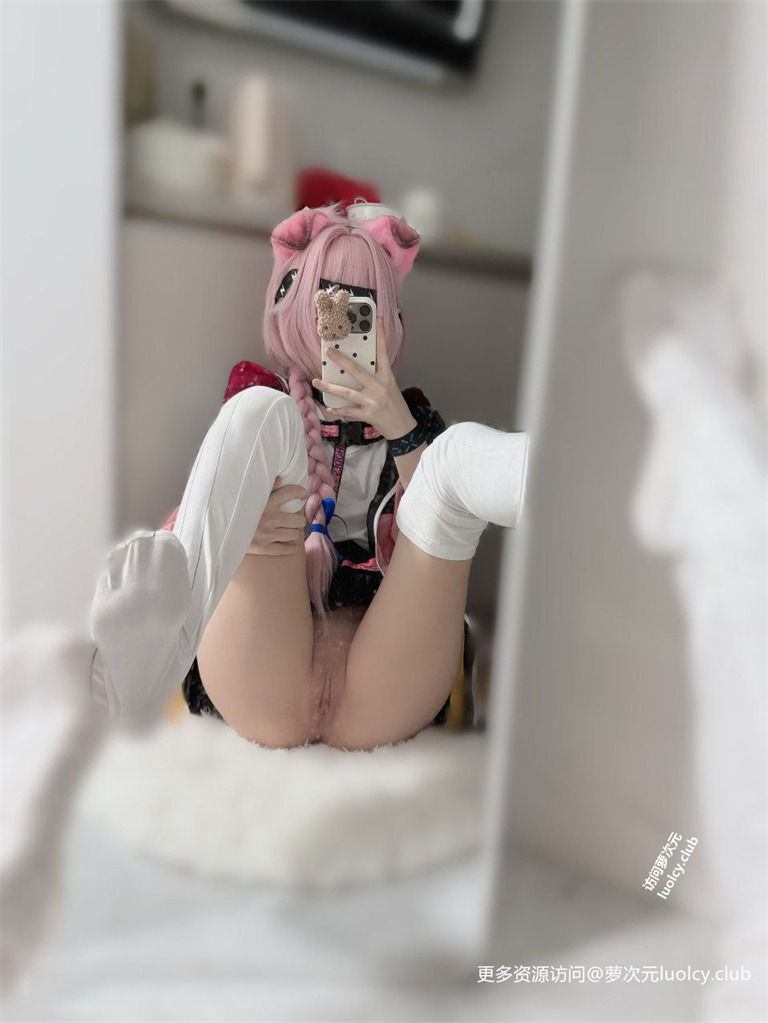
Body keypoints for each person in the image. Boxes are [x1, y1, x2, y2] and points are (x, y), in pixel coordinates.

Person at [90, 204, 529, 751]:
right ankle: (160, 651)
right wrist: (248, 524)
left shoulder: (412, 420)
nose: (341, 325)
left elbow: (432, 536)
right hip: (265, 667)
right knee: (257, 410)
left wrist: (402, 428)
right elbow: (229, 478)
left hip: (386, 681)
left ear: (388, 320)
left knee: (451, 458)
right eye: (329, 305)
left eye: (361, 310)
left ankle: (558, 476)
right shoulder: (270, 410)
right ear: (295, 305)